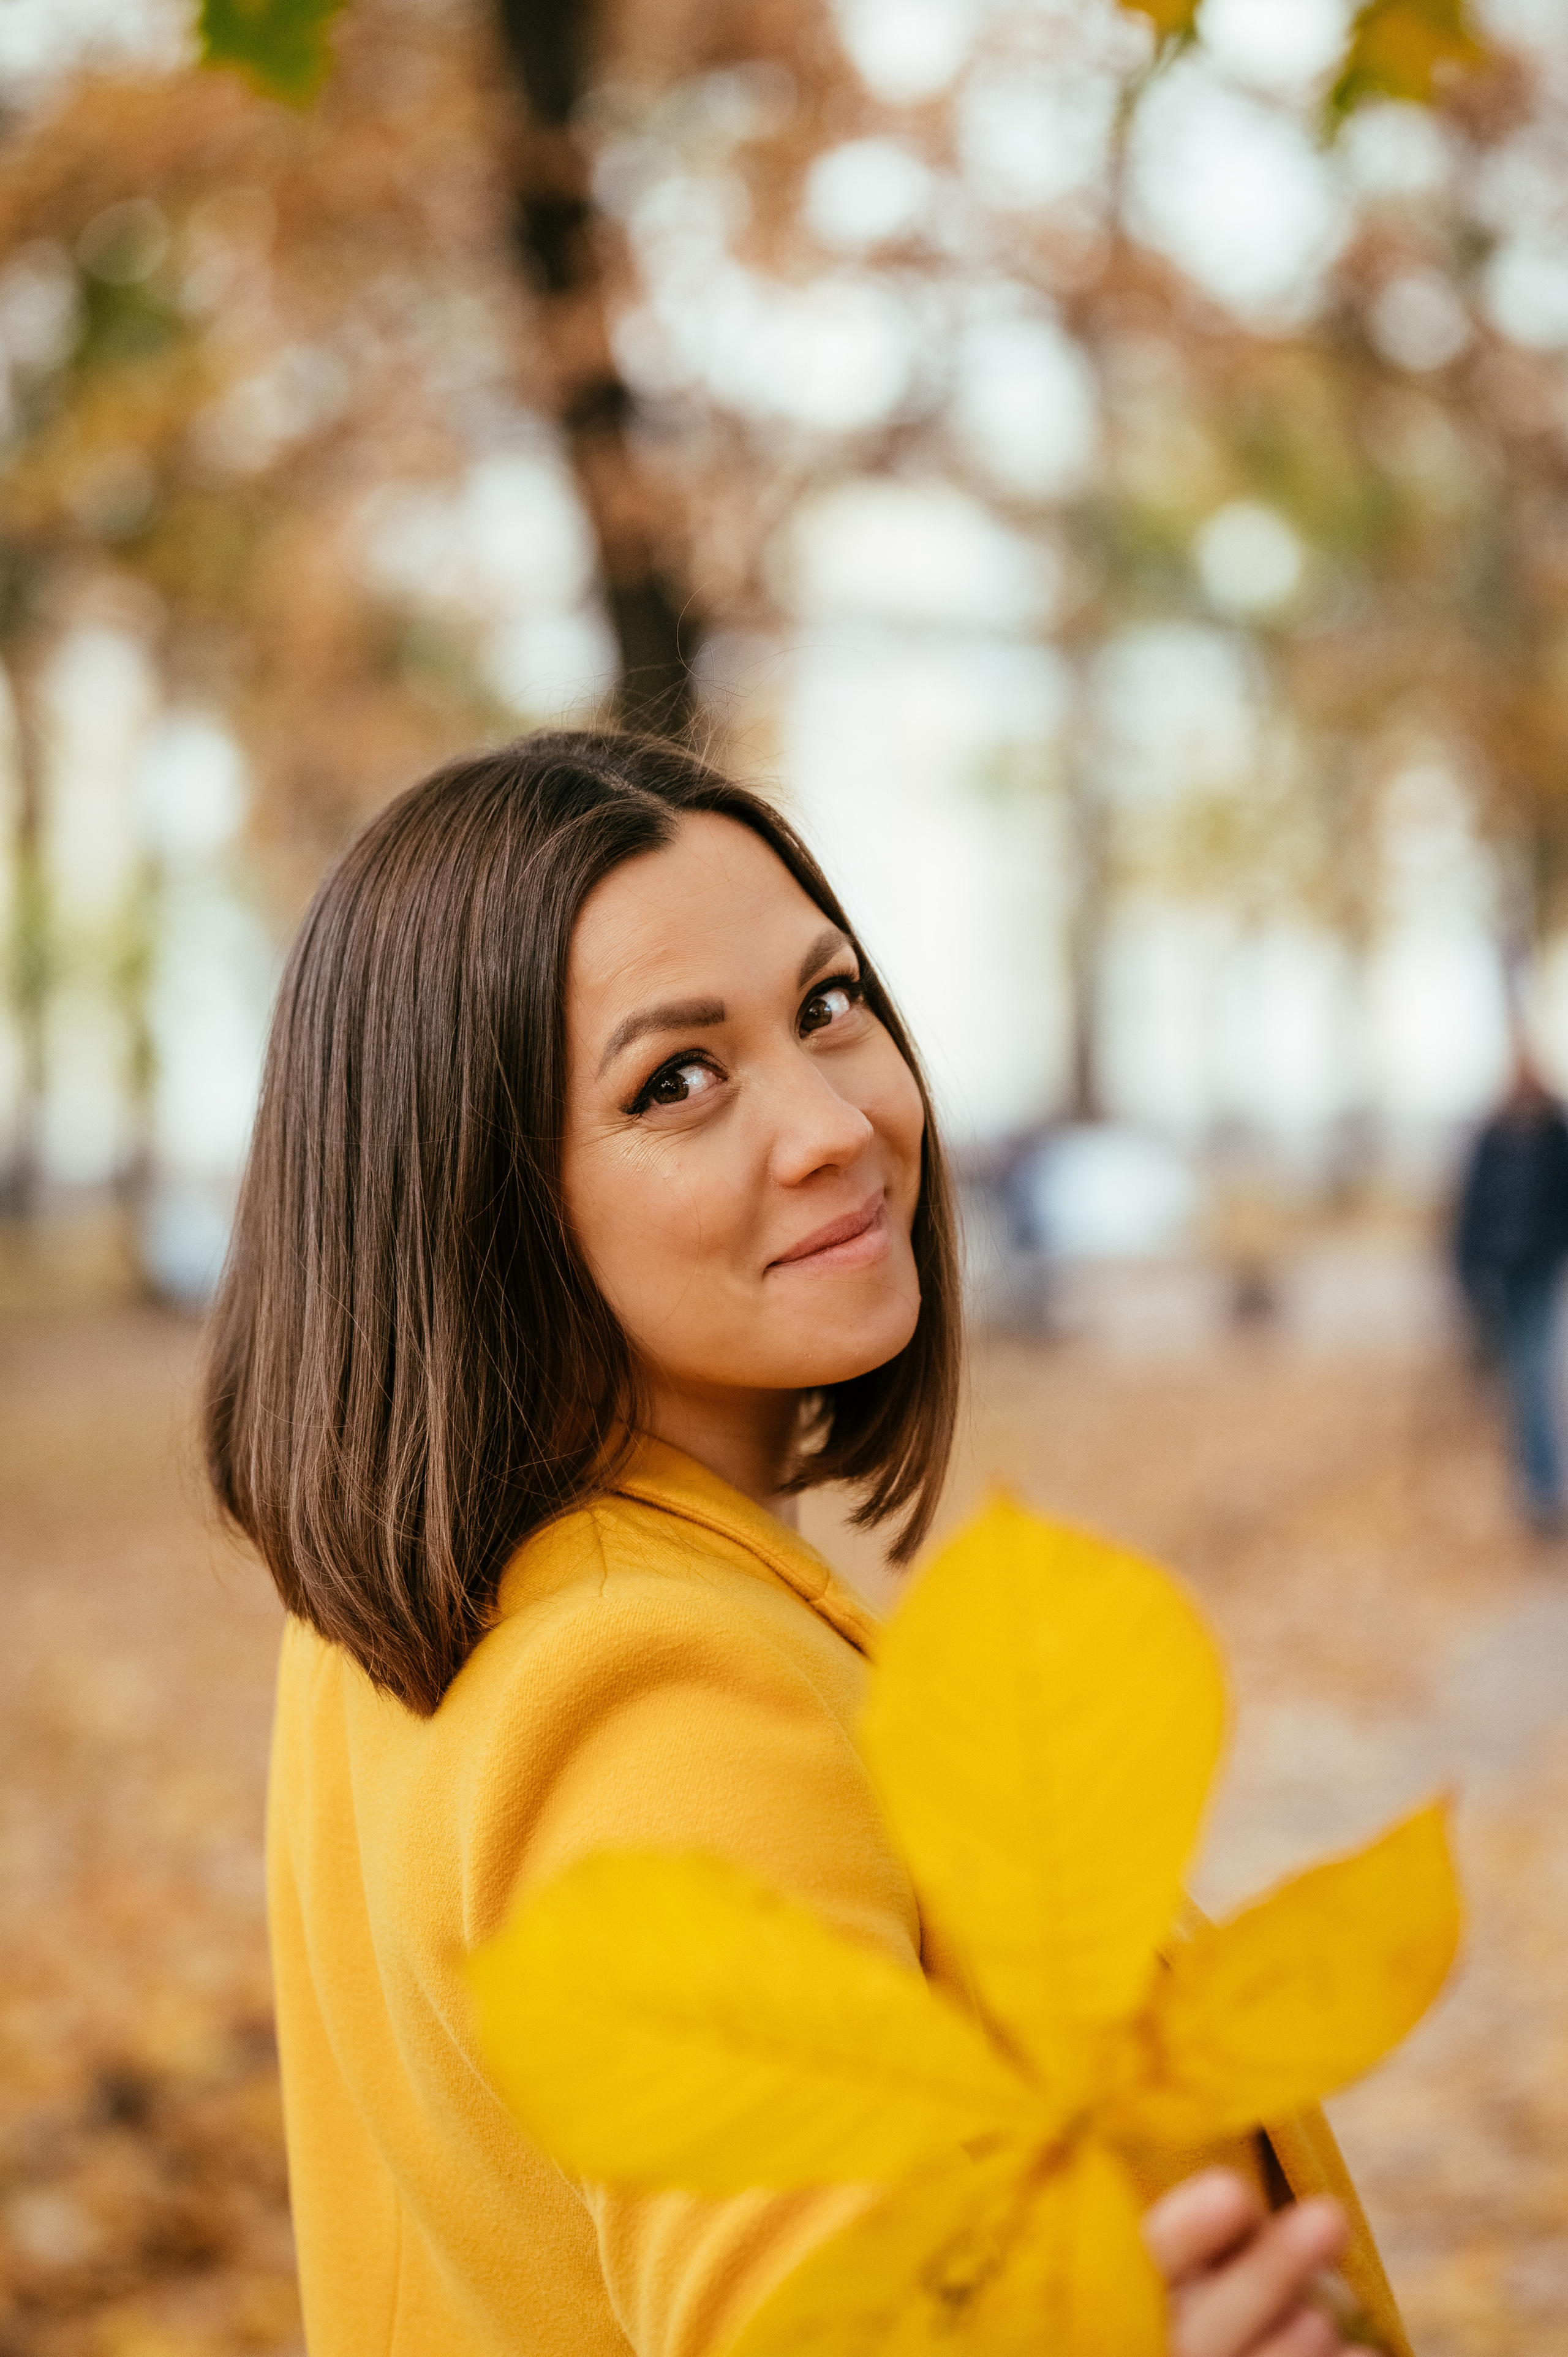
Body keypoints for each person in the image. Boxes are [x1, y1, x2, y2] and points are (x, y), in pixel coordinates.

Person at [205, 731, 1408, 2357]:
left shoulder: (414, 1604)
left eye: (827, 1003)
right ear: (479, 1198)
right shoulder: (653, 1682)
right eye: (676, 1079)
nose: (834, 1120)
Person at [1455, 1048, 1568, 1530]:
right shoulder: (1493, 1135)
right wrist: (1468, 1269)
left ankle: (1540, 1486)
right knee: (1514, 1378)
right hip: (1499, 1271)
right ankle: (1532, 1479)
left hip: (1535, 1268)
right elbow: (1471, 1208)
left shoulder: (1552, 1134)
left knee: (1530, 1371)